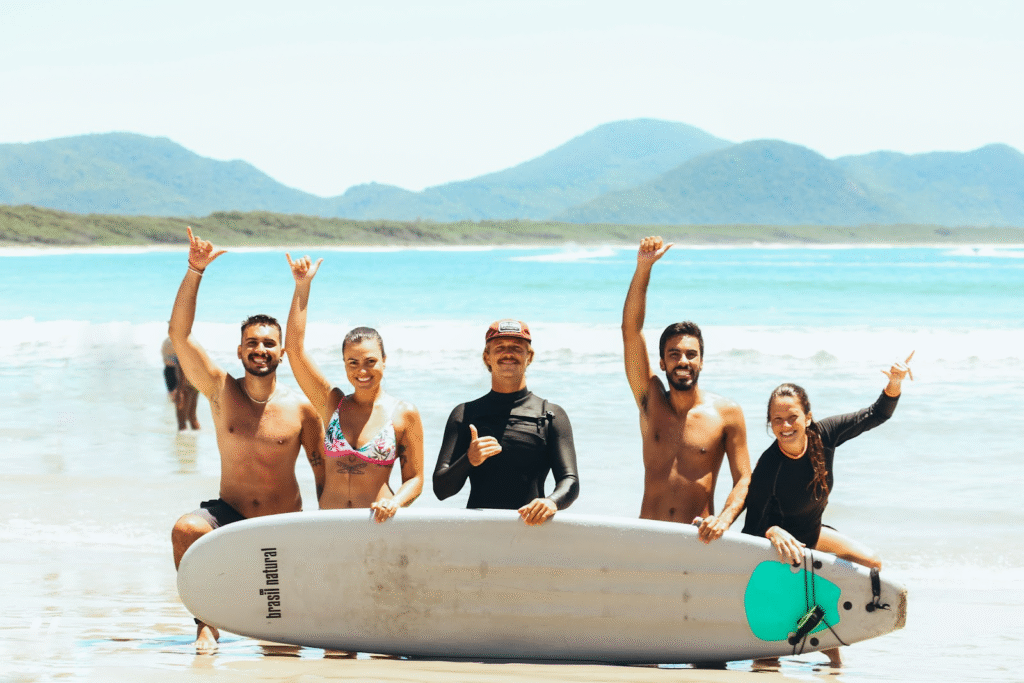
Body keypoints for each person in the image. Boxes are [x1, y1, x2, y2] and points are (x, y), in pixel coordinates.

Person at [169, 228, 324, 652]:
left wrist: (329, 528)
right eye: (252, 343)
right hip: (230, 516)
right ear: (239, 352)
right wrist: (194, 271)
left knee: (279, 643)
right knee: (185, 529)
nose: (260, 349)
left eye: (269, 343)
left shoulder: (301, 409)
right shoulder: (222, 392)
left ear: (281, 354)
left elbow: (322, 473)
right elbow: (179, 336)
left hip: (282, 524)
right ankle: (205, 622)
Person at [741, 353, 913, 667]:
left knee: (870, 563)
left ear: (808, 417)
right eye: (777, 420)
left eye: (792, 416)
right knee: (766, 662)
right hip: (776, 548)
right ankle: (796, 634)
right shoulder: (770, 465)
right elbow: (751, 525)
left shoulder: (824, 435)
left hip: (812, 533)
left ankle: (817, 626)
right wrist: (772, 530)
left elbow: (876, 415)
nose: (785, 425)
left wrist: (894, 384)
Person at [622, 236, 751, 543]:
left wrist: (723, 520)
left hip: (698, 541)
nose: (683, 361)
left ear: (702, 362)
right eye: (674, 354)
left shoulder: (726, 413)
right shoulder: (650, 400)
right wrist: (643, 268)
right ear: (663, 364)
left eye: (691, 355)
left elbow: (744, 478)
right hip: (648, 535)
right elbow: (631, 331)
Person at [285, 253, 425, 519]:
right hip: (330, 524)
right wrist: (302, 287)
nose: (362, 371)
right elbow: (294, 349)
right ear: (344, 364)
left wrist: (395, 503)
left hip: (378, 525)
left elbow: (415, 479)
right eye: (353, 362)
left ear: (384, 361)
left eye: (371, 361)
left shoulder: (403, 413)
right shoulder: (332, 403)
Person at [433, 319, 579, 525]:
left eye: (516, 348)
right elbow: (441, 489)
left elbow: (570, 481)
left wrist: (551, 502)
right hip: (479, 532)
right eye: (500, 347)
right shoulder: (465, 414)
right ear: (487, 357)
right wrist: (469, 459)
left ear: (530, 356)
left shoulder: (550, 414)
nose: (508, 353)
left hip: (531, 529)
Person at [163, 335, 200, 430]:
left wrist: (180, 389)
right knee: (192, 417)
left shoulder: (179, 341)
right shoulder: (190, 340)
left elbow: (182, 364)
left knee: (182, 422)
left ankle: (183, 444)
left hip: (183, 380)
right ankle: (194, 443)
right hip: (195, 379)